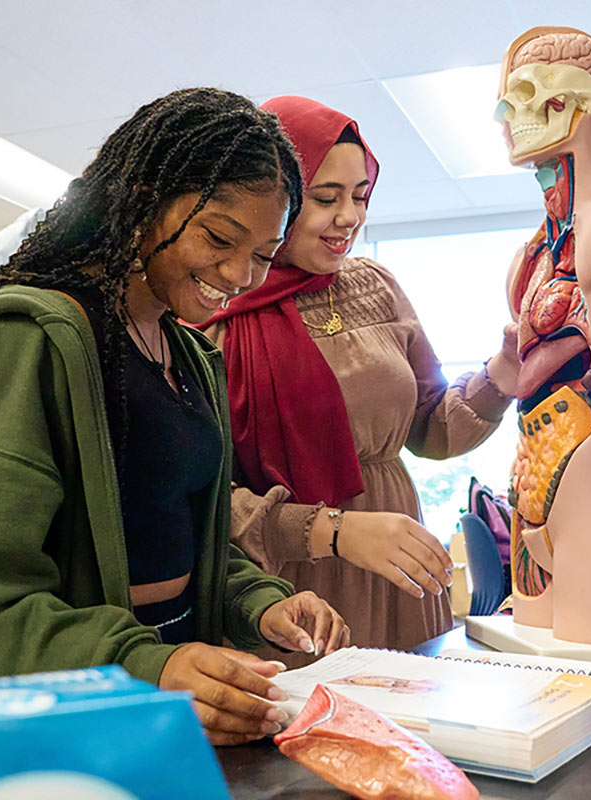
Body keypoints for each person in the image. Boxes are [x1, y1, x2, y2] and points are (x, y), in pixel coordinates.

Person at [0, 88, 348, 746]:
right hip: (68, 725)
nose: (242, 275)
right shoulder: (31, 338)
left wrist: (259, 603)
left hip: (156, 716)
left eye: (265, 255)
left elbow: (175, 536)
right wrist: (147, 664)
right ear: (142, 198)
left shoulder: (189, 355)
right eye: (220, 237)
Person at [200, 96, 521, 654]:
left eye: (360, 196)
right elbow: (203, 499)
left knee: (415, 719)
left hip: (398, 562)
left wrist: (502, 374)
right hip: (287, 574)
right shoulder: (212, 307)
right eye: (325, 198)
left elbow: (432, 428)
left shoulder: (376, 285)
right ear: (272, 201)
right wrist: (335, 533)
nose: (348, 216)